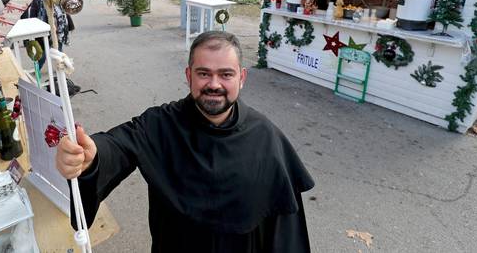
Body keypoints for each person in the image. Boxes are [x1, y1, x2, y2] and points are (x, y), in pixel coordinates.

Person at [56, 31, 314, 252]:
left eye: (226, 74)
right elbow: (117, 145)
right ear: (189, 75)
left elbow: (286, 229)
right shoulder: (160, 124)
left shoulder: (266, 137)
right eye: (204, 73)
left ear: (242, 78)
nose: (214, 84)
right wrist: (91, 158)